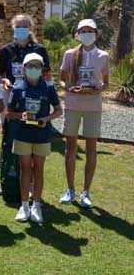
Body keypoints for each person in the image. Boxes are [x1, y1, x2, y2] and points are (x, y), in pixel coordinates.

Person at [0, 13, 51, 195]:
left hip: (32, 98)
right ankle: (4, 179)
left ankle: (31, 183)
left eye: (25, 26)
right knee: (7, 136)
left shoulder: (39, 50)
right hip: (11, 96)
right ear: (13, 28)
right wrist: (3, 82)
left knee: (31, 137)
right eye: (18, 26)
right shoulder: (6, 50)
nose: (21, 29)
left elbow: (47, 75)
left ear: (30, 28)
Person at [59, 19, 109, 208]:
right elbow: (62, 80)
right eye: (83, 31)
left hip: (93, 107)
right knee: (70, 148)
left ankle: (85, 192)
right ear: (77, 34)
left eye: (90, 31)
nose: (87, 34)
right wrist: (70, 88)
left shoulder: (103, 56)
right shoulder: (69, 54)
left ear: (96, 33)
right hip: (73, 104)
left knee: (91, 149)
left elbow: (106, 83)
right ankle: (70, 190)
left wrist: (97, 90)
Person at [6, 53, 62, 223]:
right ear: (23, 69)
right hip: (23, 135)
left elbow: (59, 111)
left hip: (42, 136)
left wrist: (46, 119)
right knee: (25, 170)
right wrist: (20, 115)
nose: (33, 69)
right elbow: (8, 114)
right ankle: (24, 206)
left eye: (37, 66)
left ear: (42, 69)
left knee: (38, 170)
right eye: (30, 66)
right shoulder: (17, 88)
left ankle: (36, 206)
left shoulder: (48, 87)